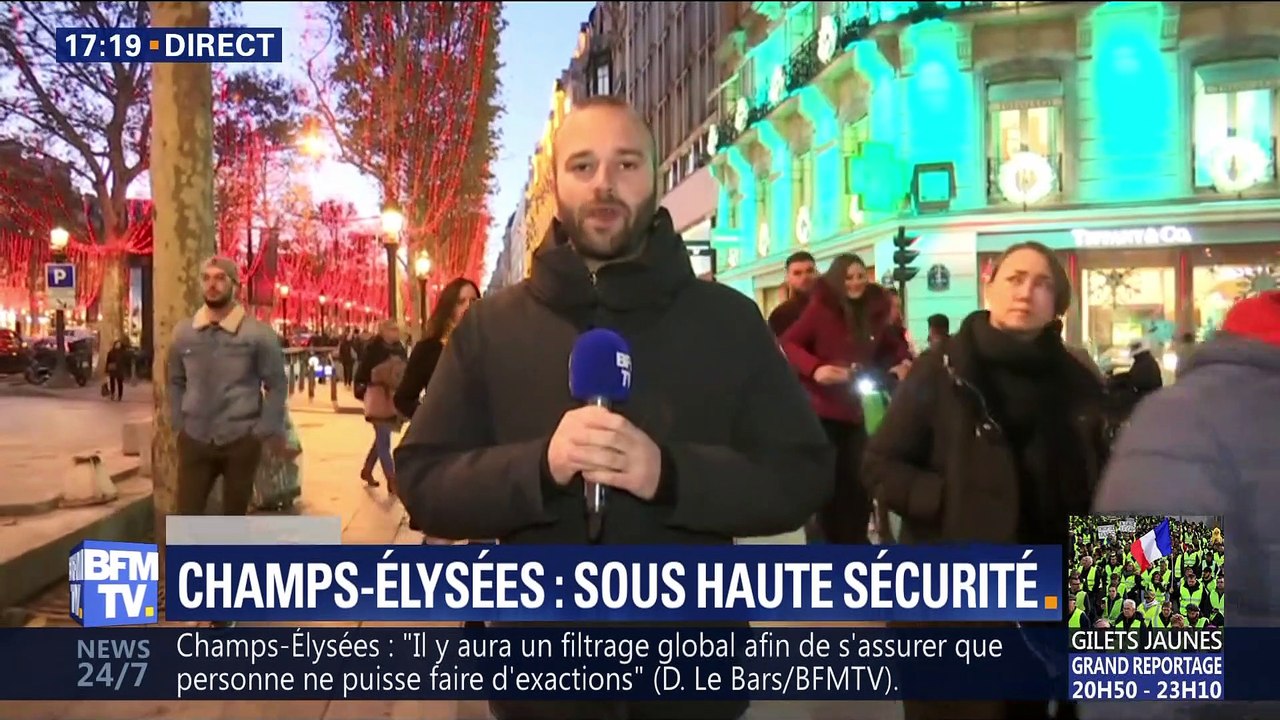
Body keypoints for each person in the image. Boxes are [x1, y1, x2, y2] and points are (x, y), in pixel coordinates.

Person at [394, 95, 831, 720]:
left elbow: (801, 475)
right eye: (583, 165)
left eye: (626, 164)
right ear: (556, 183)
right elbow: (422, 481)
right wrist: (538, 468)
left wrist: (672, 476)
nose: (604, 183)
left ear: (657, 176)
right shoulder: (491, 327)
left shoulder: (730, 321)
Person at [863, 241, 1107, 720]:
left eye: (1042, 284)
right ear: (989, 287)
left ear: (1057, 304)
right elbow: (879, 464)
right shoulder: (942, 369)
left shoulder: (1077, 379)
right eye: (1014, 279)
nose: (1026, 292)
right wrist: (944, 501)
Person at [780, 254, 910, 545]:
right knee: (830, 484)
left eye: (861, 276)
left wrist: (901, 362)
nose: (855, 283)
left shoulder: (876, 309)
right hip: (824, 409)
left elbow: (893, 343)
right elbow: (789, 342)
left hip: (861, 406)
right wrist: (816, 369)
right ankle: (828, 545)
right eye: (848, 277)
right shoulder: (821, 309)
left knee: (861, 480)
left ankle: (856, 540)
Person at [393, 278, 480, 420]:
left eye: (474, 301)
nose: (468, 307)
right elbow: (403, 399)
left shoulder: (486, 346)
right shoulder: (428, 350)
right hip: (445, 430)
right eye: (461, 302)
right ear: (449, 307)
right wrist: (430, 419)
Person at [354, 320, 407, 495]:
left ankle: (367, 469)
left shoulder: (400, 348)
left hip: (393, 398)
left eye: (396, 329)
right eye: (392, 329)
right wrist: (363, 388)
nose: (395, 333)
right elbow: (362, 372)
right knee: (384, 439)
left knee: (381, 439)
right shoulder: (373, 349)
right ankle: (392, 479)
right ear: (383, 331)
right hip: (378, 397)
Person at [766, 250, 817, 336]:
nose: (805, 277)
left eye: (809, 271)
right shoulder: (780, 315)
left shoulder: (833, 305)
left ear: (817, 273)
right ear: (788, 277)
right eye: (797, 273)